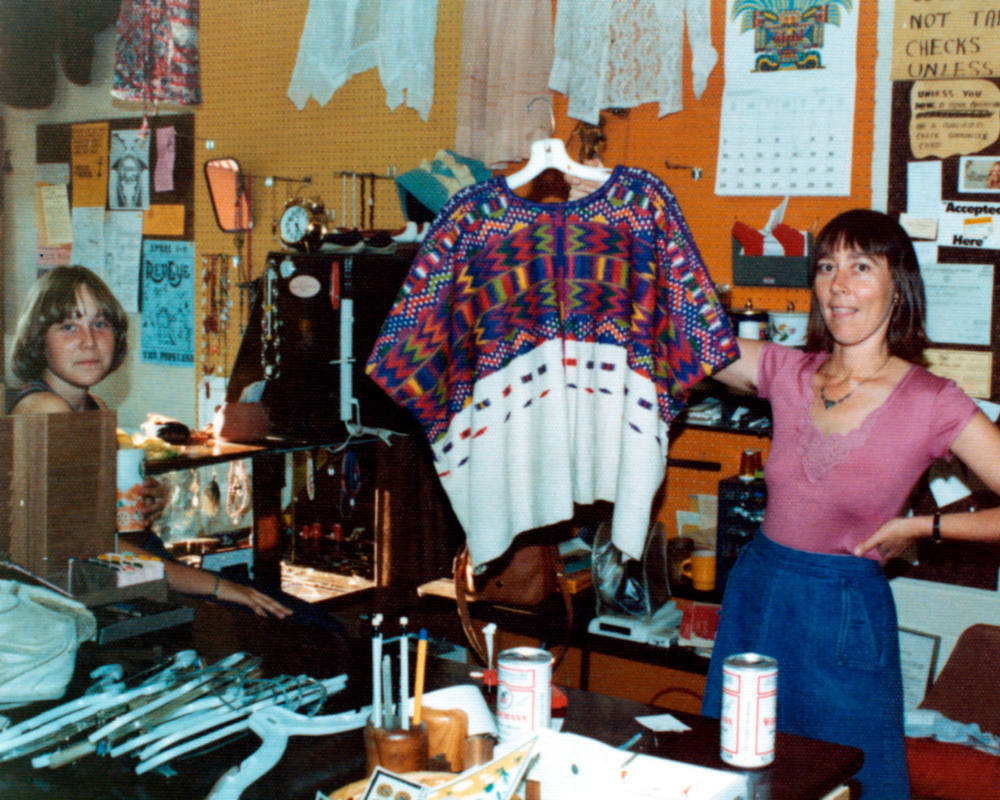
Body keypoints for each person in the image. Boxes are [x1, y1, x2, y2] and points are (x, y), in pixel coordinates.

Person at [698, 208, 1000, 799]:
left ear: (898, 285)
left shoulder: (933, 400)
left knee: (848, 780)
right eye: (827, 266)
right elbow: (685, 336)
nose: (839, 285)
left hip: (844, 614)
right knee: (737, 772)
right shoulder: (785, 369)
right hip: (758, 596)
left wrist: (925, 526)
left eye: (862, 267)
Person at [9, 265, 292, 620]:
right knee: (269, 618)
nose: (89, 341)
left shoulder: (92, 407)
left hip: (98, 578)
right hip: (57, 600)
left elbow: (95, 523)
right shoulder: (46, 409)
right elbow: (87, 546)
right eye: (68, 326)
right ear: (38, 339)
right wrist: (217, 586)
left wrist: (144, 498)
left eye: (100, 324)